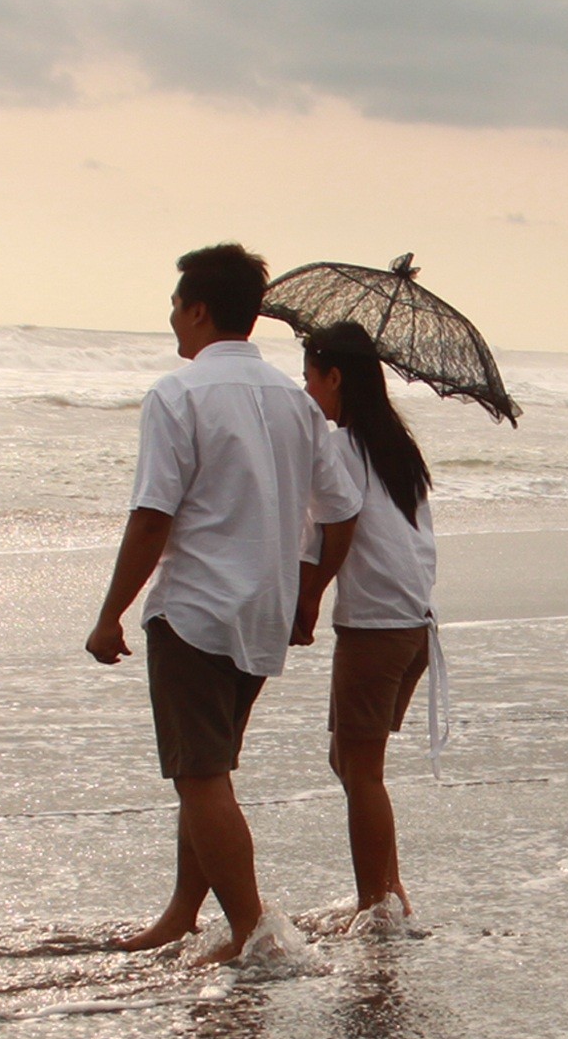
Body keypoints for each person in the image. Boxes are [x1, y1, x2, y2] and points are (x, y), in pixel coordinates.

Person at [87, 244, 362, 963]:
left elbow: (153, 517)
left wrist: (110, 611)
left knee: (201, 777)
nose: (172, 319)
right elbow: (342, 510)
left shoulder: (178, 396)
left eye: (177, 306)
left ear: (199, 308)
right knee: (207, 770)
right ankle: (184, 911)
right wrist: (306, 595)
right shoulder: (293, 402)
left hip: (197, 610)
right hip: (262, 611)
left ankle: (251, 931)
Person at [291, 320, 437, 926]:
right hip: (415, 624)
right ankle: (389, 887)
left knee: (360, 769)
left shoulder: (339, 448)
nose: (306, 393)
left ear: (334, 378)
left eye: (309, 379)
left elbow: (329, 532)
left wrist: (306, 602)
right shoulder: (396, 448)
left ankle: (376, 902)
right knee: (351, 764)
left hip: (377, 627)